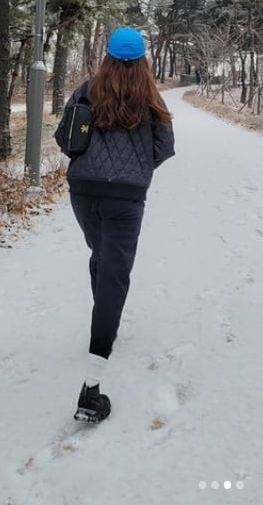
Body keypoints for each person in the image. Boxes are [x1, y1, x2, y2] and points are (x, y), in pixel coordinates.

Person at [54, 27, 175, 423]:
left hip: (83, 191)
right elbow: (165, 148)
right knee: (115, 273)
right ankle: (92, 384)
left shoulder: (88, 89)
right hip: (127, 198)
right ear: (142, 60)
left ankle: (103, 315)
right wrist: (137, 169)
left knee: (100, 256)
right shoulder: (151, 99)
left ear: (107, 57)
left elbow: (66, 137)